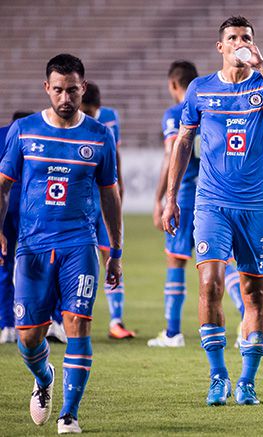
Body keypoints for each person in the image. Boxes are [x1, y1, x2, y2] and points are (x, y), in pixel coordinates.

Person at [161, 16, 263, 406]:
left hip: (255, 204)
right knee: (210, 285)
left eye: (247, 38)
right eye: (233, 38)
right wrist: (172, 196)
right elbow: (184, 142)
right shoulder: (200, 89)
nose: (240, 43)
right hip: (210, 203)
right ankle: (218, 375)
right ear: (219, 46)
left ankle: (248, 381)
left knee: (255, 295)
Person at [0, 53, 122, 434]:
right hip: (32, 247)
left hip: (79, 245)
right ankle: (44, 376)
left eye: (72, 90)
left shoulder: (100, 136)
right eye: (58, 90)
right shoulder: (24, 131)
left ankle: (70, 413)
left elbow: (110, 196)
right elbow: (2, 187)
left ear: (82, 88)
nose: (65, 97)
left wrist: (114, 251)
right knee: (28, 337)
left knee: (78, 325)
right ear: (46, 89)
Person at [149, 60, 245, 348]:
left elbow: (171, 154)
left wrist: (162, 198)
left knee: (176, 260)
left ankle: (172, 332)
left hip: (186, 194)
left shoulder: (175, 113)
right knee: (224, 260)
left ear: (173, 85)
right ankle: (246, 319)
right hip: (216, 194)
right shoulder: (213, 105)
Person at [77, 83, 134, 340]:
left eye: (90, 111)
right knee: (78, 259)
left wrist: (118, 187)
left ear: (97, 107)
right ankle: (69, 318)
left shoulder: (110, 118)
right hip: (82, 201)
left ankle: (116, 321)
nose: (87, 115)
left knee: (110, 255)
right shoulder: (74, 124)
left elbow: (115, 154)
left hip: (104, 198)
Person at [0, 111, 33, 344]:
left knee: (4, 264)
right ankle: (47, 322)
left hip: (5, 207)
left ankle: (6, 325)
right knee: (40, 265)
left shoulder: (3, 135)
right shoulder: (37, 133)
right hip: (32, 208)